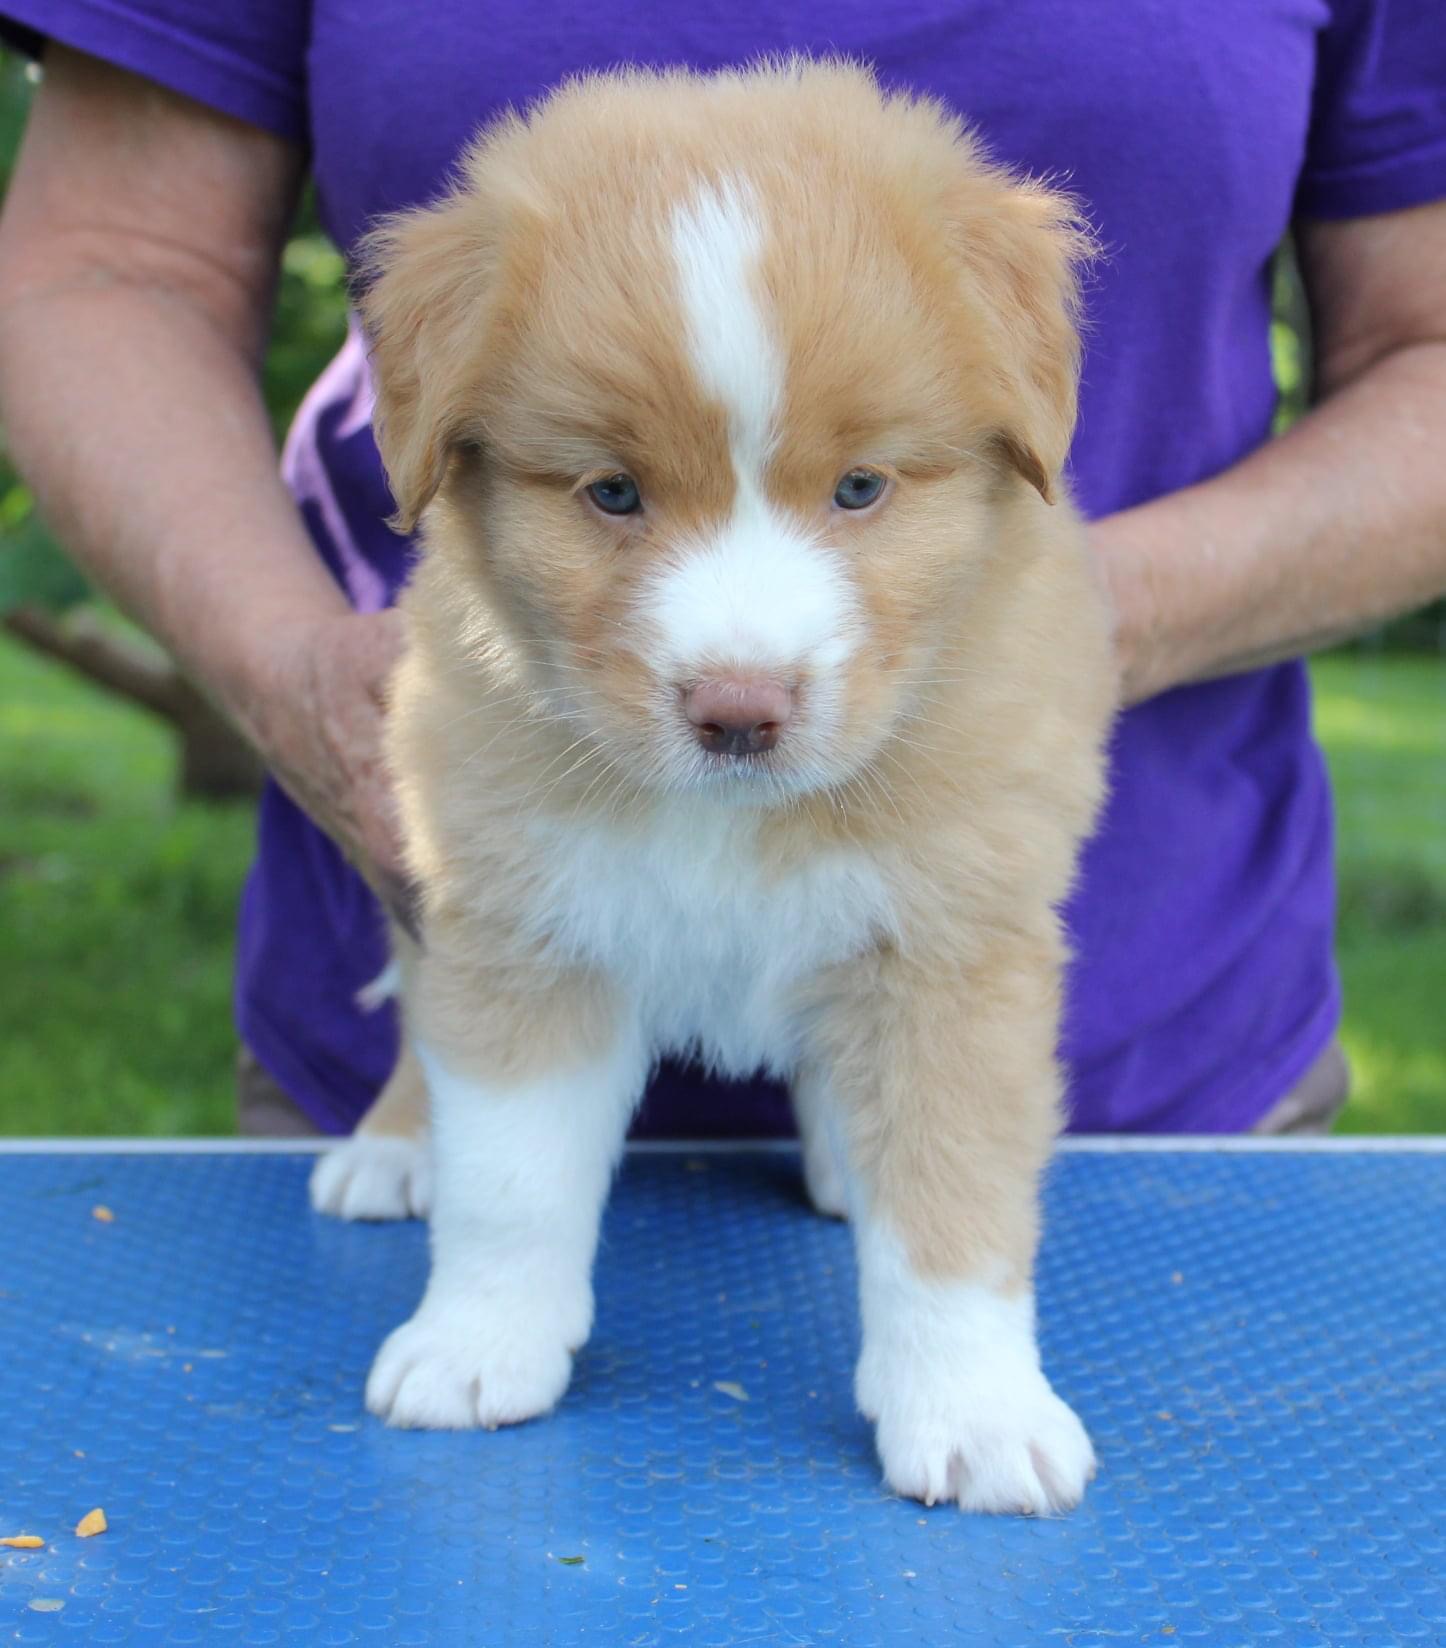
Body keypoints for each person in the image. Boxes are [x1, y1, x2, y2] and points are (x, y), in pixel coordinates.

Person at [0, 5, 1443, 1141]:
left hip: (1146, 1074)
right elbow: (113, 262)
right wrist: (286, 665)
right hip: (426, 1043)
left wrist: (1052, 624)